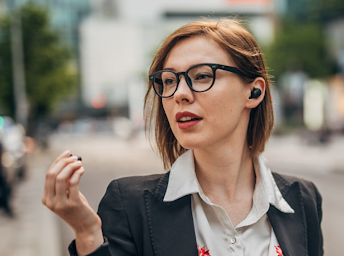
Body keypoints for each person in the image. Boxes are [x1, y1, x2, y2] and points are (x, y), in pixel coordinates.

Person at [42, 19, 323, 256]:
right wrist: (88, 234)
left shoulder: (303, 199)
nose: (179, 94)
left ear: (254, 92)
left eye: (201, 76)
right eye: (169, 81)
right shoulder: (130, 205)